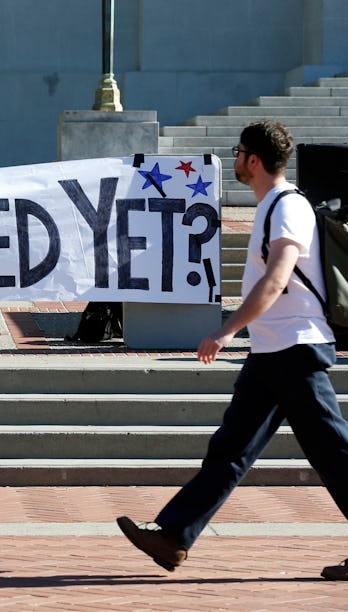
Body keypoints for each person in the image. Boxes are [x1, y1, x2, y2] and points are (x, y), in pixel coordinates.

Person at [116, 119, 348, 581]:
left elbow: (277, 278)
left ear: (254, 161)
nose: (236, 158)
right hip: (273, 351)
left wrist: (226, 330)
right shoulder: (273, 206)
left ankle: (173, 534)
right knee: (230, 451)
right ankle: (173, 536)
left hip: (296, 348)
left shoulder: (287, 208)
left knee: (335, 455)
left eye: (240, 152)